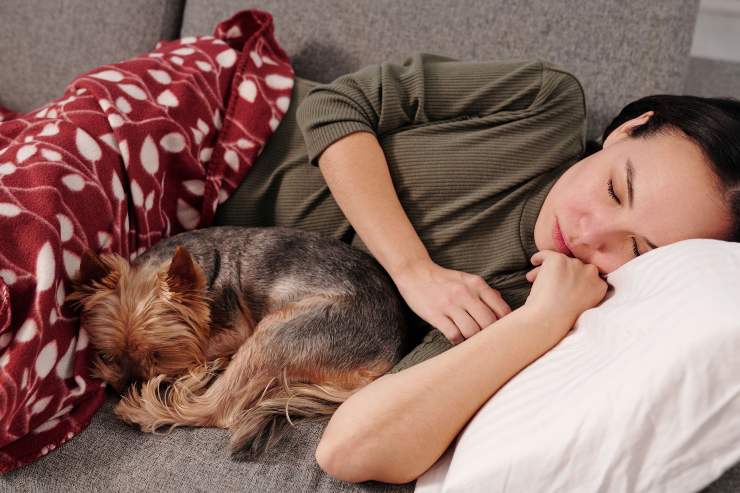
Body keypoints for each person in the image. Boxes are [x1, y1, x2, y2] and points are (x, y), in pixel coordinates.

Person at [214, 53, 740, 483]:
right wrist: (412, 269)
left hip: (192, 240)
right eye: (613, 189)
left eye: (637, 250)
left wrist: (538, 323)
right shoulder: (545, 104)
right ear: (628, 130)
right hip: (218, 116)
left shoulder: (511, 305)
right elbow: (335, 103)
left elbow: (351, 449)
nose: (587, 233)